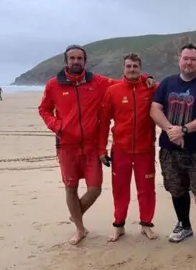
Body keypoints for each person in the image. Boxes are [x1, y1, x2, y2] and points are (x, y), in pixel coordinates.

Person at [38, 44, 154, 245]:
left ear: (85, 61)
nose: (76, 62)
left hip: (93, 146)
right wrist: (58, 125)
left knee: (95, 189)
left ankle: (78, 215)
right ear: (66, 61)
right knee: (71, 187)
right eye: (72, 58)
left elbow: (127, 81)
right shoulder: (53, 84)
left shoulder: (98, 82)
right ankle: (81, 228)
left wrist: (145, 78)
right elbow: (44, 109)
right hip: (67, 145)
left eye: (79, 58)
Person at [150, 43, 196, 254]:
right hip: (169, 148)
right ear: (179, 59)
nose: (188, 62)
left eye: (193, 59)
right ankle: (184, 225)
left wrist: (185, 130)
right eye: (185, 58)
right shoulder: (167, 83)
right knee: (176, 188)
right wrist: (171, 130)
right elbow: (155, 109)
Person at [98, 52, 158, 242]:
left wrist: (148, 78)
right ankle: (119, 226)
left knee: (146, 190)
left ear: (140, 69)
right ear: (123, 68)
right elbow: (104, 122)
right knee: (120, 189)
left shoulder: (151, 89)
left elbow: (173, 88)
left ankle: (146, 225)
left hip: (145, 150)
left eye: (135, 66)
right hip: (121, 150)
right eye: (128, 66)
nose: (132, 69)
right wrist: (102, 149)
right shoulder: (113, 91)